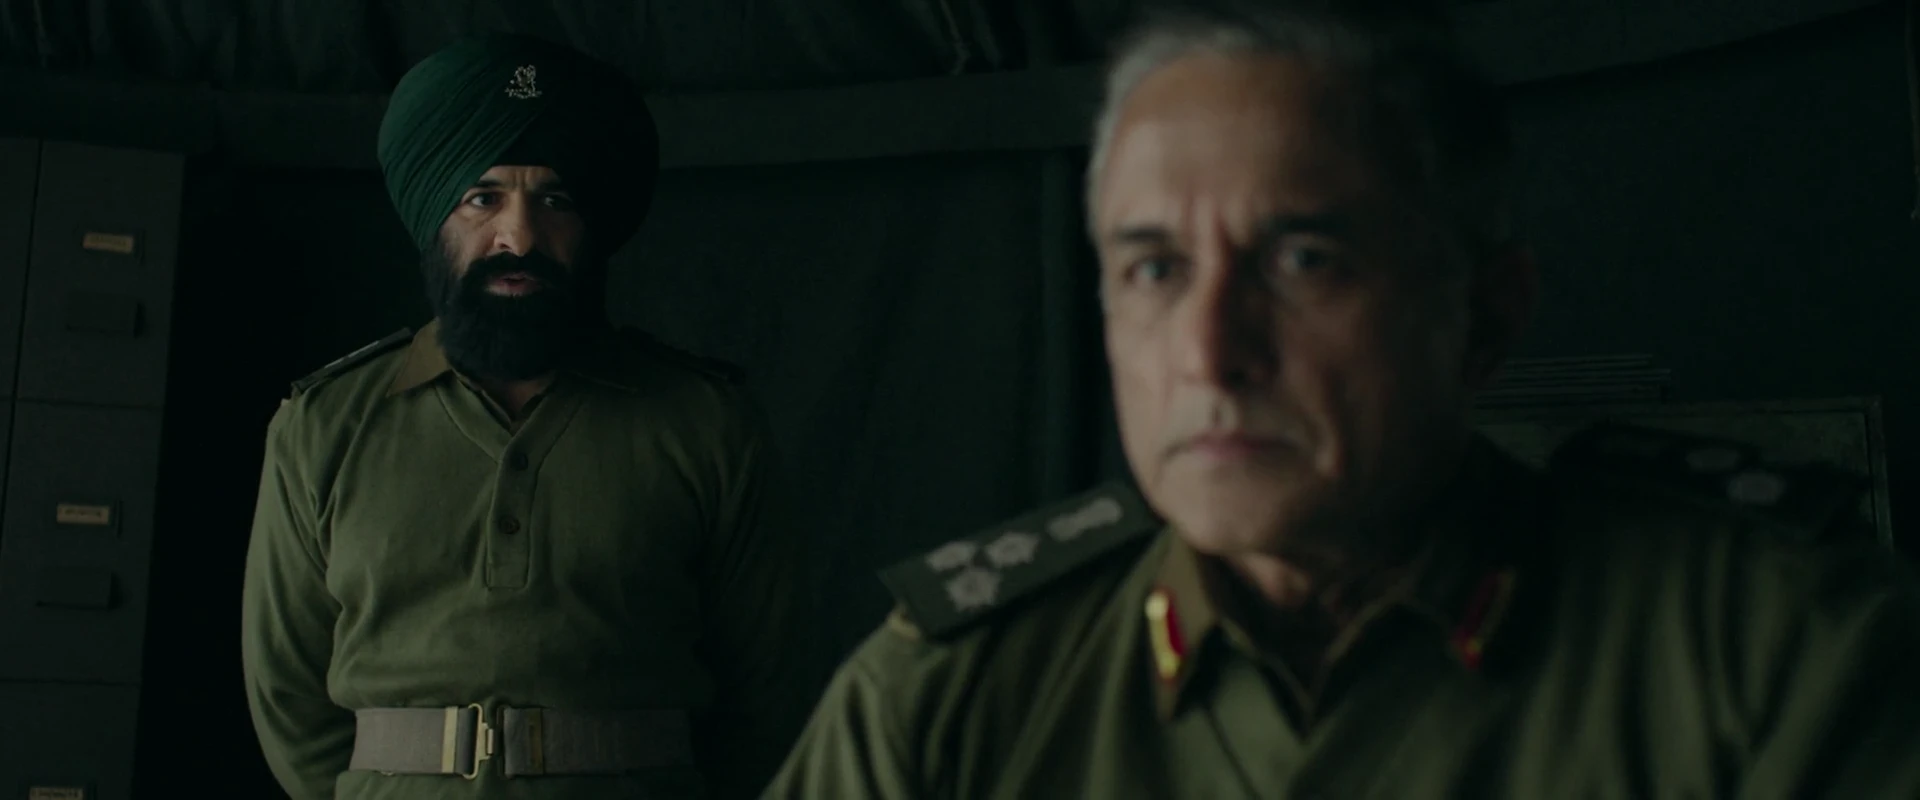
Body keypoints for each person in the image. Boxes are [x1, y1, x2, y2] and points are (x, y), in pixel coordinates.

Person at [761, 2, 1920, 797]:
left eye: (1303, 260)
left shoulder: (1769, 645)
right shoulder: (949, 699)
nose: (1210, 352)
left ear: (1485, 317)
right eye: (1155, 268)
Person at [241, 33, 810, 800]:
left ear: (590, 227)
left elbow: (766, 699)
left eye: (555, 200)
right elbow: (289, 699)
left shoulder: (706, 424)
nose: (519, 236)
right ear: (436, 218)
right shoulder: (324, 425)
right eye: (482, 199)